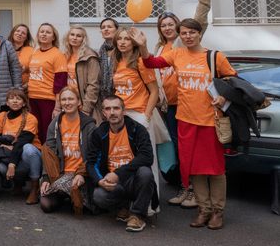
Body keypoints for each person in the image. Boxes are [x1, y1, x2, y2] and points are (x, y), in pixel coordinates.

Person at [138, 20, 236, 230]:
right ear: (179, 36)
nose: (188, 36)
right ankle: (204, 210)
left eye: (192, 32)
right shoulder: (177, 54)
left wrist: (223, 97)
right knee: (194, 168)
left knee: (215, 169)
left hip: (210, 121)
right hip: (185, 120)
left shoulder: (215, 56)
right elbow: (151, 63)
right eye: (184, 33)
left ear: (200, 34)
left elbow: (233, 81)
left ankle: (218, 212)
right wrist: (143, 45)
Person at [154, 0, 212, 206]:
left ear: (178, 27)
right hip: (169, 107)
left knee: (190, 148)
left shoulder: (181, 42)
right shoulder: (159, 48)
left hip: (187, 104)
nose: (168, 28)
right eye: (163, 25)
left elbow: (199, 20)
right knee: (177, 148)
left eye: (171, 25)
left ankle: (195, 192)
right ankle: (185, 187)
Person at [86, 95, 156, 233]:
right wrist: (100, 181)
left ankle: (138, 215)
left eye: (116, 108)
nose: (112, 112)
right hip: (113, 183)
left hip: (134, 180)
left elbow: (147, 157)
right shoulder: (99, 133)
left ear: (124, 111)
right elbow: (91, 163)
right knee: (99, 195)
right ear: (103, 112)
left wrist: (118, 173)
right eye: (108, 109)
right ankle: (124, 205)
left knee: (145, 172)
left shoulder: (137, 129)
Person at [110, 27, 161, 201]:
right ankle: (131, 201)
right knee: (127, 159)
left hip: (139, 114)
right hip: (122, 117)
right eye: (120, 39)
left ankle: (151, 204)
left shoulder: (141, 62)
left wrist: (146, 116)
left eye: (127, 39)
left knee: (147, 160)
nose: (123, 42)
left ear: (134, 43)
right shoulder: (116, 62)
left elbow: (154, 91)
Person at [39, 87, 97, 215]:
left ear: (78, 102)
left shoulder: (89, 125)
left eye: (71, 99)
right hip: (60, 173)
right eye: (63, 99)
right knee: (45, 204)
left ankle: (73, 195)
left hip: (81, 174)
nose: (67, 102)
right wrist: (46, 178)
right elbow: (49, 154)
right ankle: (67, 195)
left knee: (62, 190)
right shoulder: (55, 123)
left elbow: (93, 154)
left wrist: (82, 173)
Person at [0, 87, 43, 204]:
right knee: (2, 168)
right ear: (7, 102)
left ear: (24, 103)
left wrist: (12, 165)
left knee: (27, 149)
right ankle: (18, 184)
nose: (14, 101)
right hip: (12, 153)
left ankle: (34, 189)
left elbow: (21, 143)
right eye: (11, 98)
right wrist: (3, 146)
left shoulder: (31, 119)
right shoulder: (2, 116)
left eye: (18, 99)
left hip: (30, 155)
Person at [27, 24, 68, 142]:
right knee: (36, 132)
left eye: (48, 32)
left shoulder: (58, 55)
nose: (44, 34)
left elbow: (60, 83)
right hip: (32, 98)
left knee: (47, 133)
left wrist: (57, 107)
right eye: (42, 31)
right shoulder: (35, 53)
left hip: (48, 100)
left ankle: (48, 154)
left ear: (53, 37)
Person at [61, 26, 102, 124]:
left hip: (83, 105)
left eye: (78, 36)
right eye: (72, 35)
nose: (74, 38)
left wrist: (86, 109)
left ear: (83, 39)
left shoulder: (90, 57)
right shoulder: (65, 56)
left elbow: (93, 85)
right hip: (68, 103)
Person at [8, 23, 35, 91]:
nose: (19, 34)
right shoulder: (5, 49)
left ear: (26, 37)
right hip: (7, 90)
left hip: (25, 90)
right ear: (13, 33)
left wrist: (25, 86)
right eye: (17, 31)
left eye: (23, 33)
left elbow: (35, 72)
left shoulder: (31, 51)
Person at [98, 18, 120, 97]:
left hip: (121, 91)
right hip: (102, 95)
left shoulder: (122, 49)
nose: (106, 29)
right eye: (103, 27)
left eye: (109, 27)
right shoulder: (99, 52)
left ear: (117, 30)